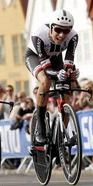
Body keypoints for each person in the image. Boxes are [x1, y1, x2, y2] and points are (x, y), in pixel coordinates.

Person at [24, 9, 79, 144]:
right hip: (35, 57)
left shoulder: (73, 36)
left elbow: (68, 62)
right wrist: (58, 73)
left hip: (56, 58)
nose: (61, 35)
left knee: (65, 91)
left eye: (66, 31)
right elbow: (47, 70)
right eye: (58, 30)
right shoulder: (39, 34)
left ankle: (62, 132)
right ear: (51, 27)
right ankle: (41, 128)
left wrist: (71, 72)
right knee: (45, 81)